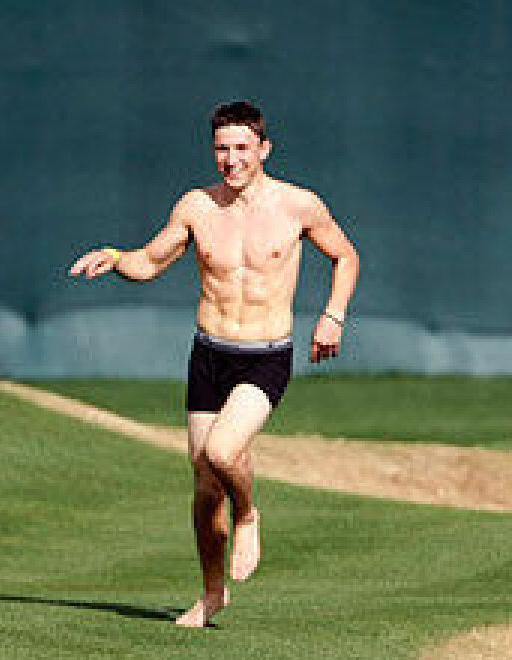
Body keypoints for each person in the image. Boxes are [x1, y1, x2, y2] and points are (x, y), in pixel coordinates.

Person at [69, 101, 359, 628]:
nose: (232, 159)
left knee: (224, 451)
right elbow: (150, 262)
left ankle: (248, 514)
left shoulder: (298, 206)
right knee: (205, 487)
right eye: (223, 149)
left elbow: (346, 256)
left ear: (264, 149)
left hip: (265, 357)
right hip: (209, 355)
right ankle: (211, 594)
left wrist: (333, 316)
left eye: (242, 148)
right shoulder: (197, 207)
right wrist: (114, 257)